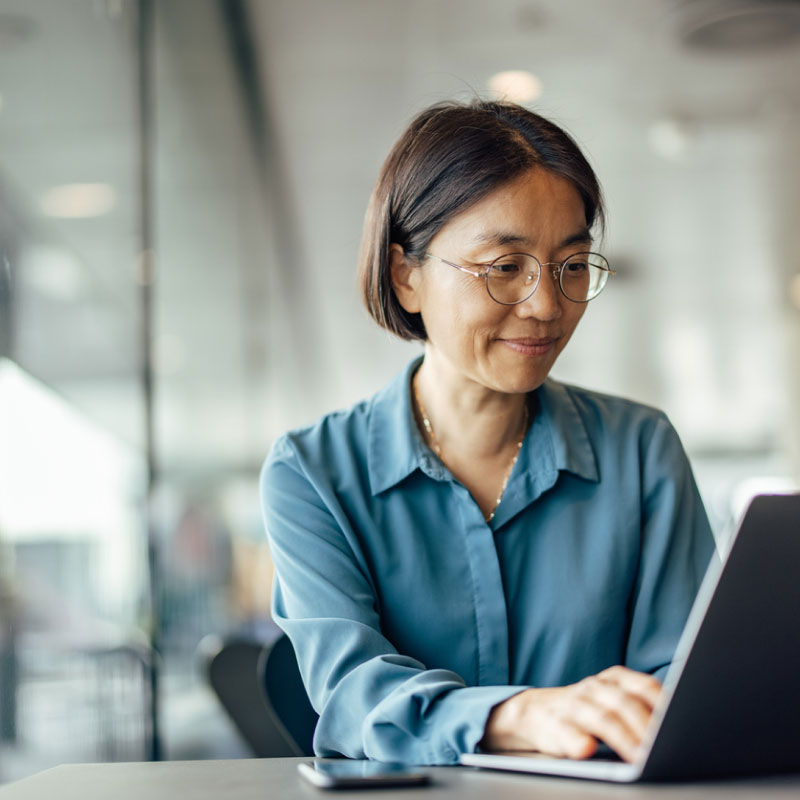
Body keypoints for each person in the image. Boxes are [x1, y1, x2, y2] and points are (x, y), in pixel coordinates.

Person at [260, 100, 715, 766]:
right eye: (505, 267)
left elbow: (684, 681)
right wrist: (519, 714)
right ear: (405, 275)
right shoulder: (313, 472)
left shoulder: (640, 450)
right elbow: (355, 695)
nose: (547, 306)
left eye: (571, 266)